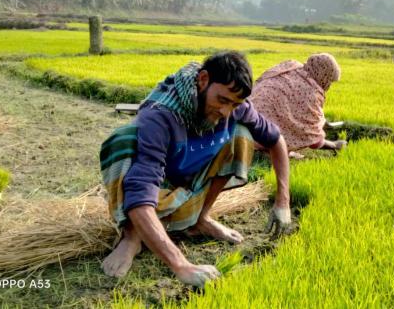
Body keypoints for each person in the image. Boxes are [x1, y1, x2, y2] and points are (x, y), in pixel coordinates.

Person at [99, 51, 291, 288]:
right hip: (158, 182)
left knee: (241, 135)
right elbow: (140, 192)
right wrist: (182, 266)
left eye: (234, 104)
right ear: (203, 80)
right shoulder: (160, 115)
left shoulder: (234, 106)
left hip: (191, 174)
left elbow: (276, 140)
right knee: (123, 139)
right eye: (221, 100)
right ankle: (131, 237)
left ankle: (200, 219)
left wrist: (283, 202)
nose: (226, 111)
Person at [248, 53, 346, 158]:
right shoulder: (311, 93)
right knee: (289, 128)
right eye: (329, 80)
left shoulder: (292, 66)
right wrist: (334, 145)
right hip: (257, 133)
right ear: (323, 75)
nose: (329, 85)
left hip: (243, 116)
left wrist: (320, 120)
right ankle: (268, 150)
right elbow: (312, 138)